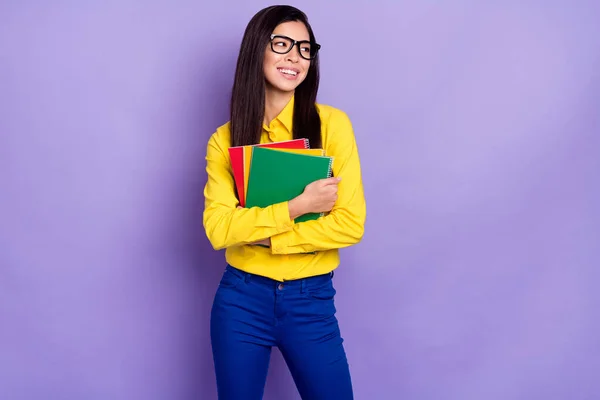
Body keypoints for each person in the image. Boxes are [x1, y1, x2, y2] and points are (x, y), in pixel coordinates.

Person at [202, 5, 366, 400]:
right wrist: (299, 206)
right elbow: (219, 229)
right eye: (282, 44)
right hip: (241, 300)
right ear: (257, 50)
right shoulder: (225, 140)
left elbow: (349, 225)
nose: (295, 57)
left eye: (305, 49)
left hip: (311, 301)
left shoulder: (331, 125)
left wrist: (266, 238)